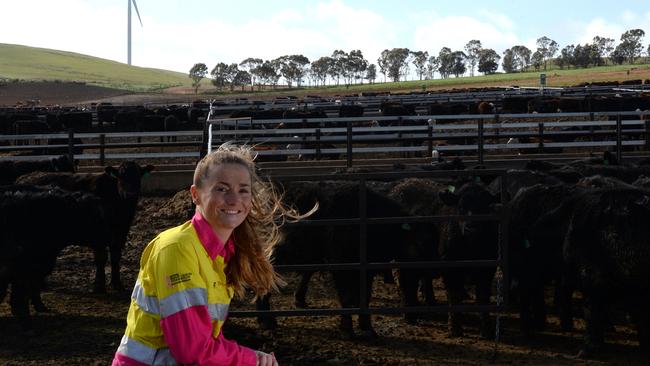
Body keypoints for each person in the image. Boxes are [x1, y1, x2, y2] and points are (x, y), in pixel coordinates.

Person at [113, 143, 300, 366]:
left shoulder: (222, 255)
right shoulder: (177, 249)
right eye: (222, 189)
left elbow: (206, 340)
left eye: (243, 190)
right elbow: (193, 351)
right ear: (195, 195)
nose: (233, 200)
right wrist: (252, 360)